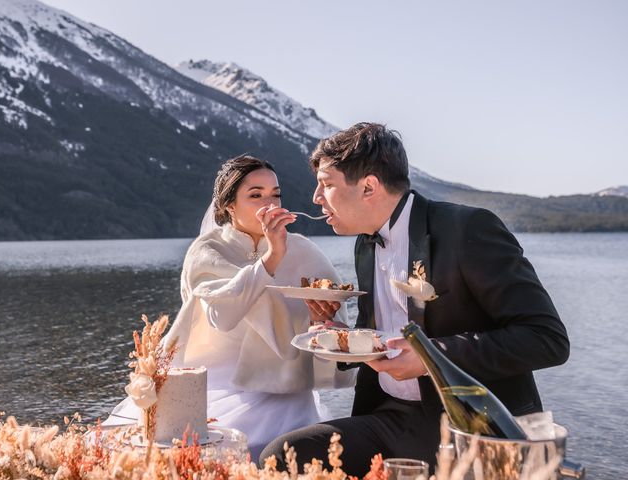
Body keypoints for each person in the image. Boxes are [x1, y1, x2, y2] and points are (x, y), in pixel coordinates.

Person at [260, 123, 570, 475]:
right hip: (390, 418)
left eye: (327, 184)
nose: (316, 197)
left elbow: (548, 339)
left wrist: (430, 358)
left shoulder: (468, 229)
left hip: (470, 428)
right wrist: (335, 332)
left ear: (369, 186)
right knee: (283, 455)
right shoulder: (366, 242)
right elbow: (381, 334)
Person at [105, 154, 354, 459]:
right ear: (228, 206)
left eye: (276, 195)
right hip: (215, 382)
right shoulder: (207, 251)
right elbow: (222, 316)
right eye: (256, 196)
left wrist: (321, 325)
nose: (270, 205)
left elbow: (328, 334)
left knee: (291, 414)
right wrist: (272, 256)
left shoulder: (303, 250)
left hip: (282, 384)